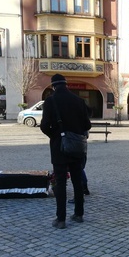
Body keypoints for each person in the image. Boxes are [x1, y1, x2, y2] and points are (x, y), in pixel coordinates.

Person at [40, 74, 91, 229]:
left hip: (59, 148)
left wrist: (55, 136)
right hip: (76, 147)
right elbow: (87, 125)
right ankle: (79, 214)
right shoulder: (79, 100)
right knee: (77, 181)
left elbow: (44, 126)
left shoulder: (50, 101)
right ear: (66, 84)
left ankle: (60, 219)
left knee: (61, 182)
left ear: (53, 86)